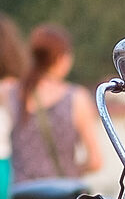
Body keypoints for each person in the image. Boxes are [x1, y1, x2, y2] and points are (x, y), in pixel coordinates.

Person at [9, 23, 107, 186]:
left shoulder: (14, 93)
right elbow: (95, 160)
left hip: (22, 198)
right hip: (61, 197)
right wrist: (69, 171)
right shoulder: (76, 97)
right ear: (61, 58)